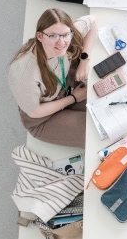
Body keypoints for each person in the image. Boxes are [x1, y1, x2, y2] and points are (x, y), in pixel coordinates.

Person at [8, 8, 97, 148]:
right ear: (40, 36)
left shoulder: (67, 34)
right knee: (95, 132)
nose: (62, 43)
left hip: (65, 87)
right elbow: (34, 112)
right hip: (43, 117)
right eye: (53, 36)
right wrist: (73, 99)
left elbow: (92, 21)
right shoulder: (23, 72)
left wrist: (84, 60)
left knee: (105, 107)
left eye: (65, 35)